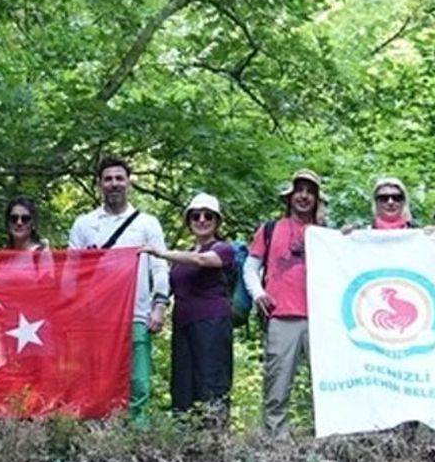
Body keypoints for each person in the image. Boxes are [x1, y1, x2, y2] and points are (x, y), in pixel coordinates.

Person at [68, 157, 169, 425]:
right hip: (96, 319)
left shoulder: (147, 224)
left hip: (136, 314)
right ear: (100, 184)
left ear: (129, 182)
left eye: (119, 178)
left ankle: (139, 439)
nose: (114, 184)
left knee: (139, 382)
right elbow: (70, 274)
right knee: (96, 381)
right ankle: (97, 439)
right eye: (108, 179)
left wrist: (159, 306)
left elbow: (160, 268)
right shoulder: (84, 224)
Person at [243, 169, 325, 438]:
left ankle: (324, 435)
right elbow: (250, 267)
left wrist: (338, 233)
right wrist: (258, 293)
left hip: (320, 317)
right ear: (289, 197)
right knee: (277, 380)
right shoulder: (270, 229)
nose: (303, 197)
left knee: (325, 381)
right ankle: (276, 440)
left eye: (309, 192)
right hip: (281, 314)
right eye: (299, 191)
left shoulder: (325, 233)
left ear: (317, 199)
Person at [141, 193, 234, 426]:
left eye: (208, 215)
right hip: (183, 326)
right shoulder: (181, 257)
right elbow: (166, 288)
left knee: (211, 381)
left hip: (212, 325)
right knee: (183, 384)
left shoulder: (223, 249)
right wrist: (157, 309)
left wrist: (160, 252)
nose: (202, 220)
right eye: (195, 215)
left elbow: (203, 261)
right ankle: (185, 439)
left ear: (217, 221)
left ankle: (215, 439)